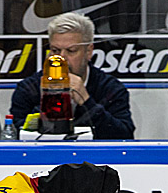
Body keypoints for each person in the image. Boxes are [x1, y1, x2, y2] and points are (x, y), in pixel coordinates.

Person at [9, 12, 135, 140]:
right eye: (55, 50)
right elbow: (15, 137)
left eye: (71, 51)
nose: (61, 58)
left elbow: (124, 137)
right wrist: (46, 101)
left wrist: (87, 102)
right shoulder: (29, 87)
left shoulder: (110, 88)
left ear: (89, 51)